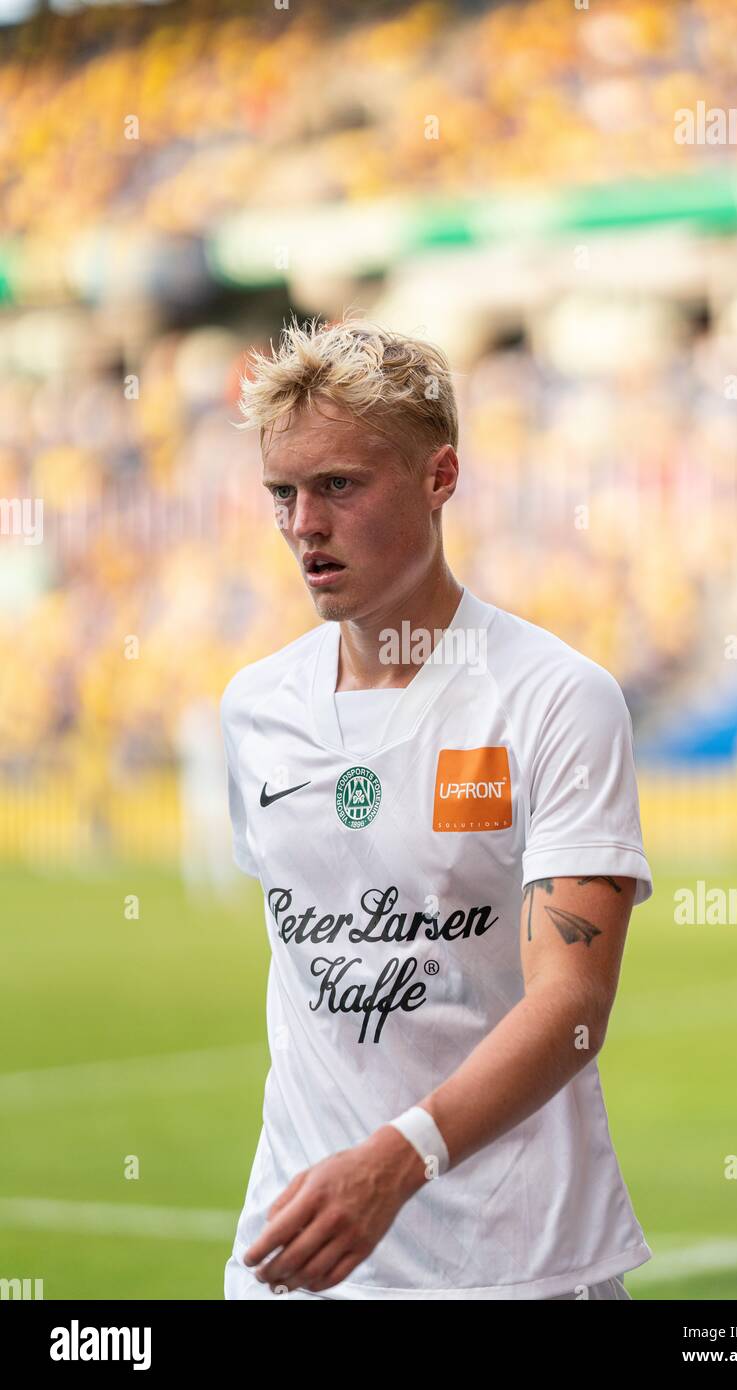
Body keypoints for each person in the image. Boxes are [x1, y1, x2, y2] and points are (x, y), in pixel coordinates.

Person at [219, 316, 653, 1301]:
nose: (303, 525)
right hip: (298, 1259)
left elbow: (574, 1006)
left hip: (516, 1266)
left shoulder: (552, 696)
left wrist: (398, 1159)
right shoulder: (256, 708)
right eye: (282, 493)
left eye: (339, 485)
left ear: (439, 476)